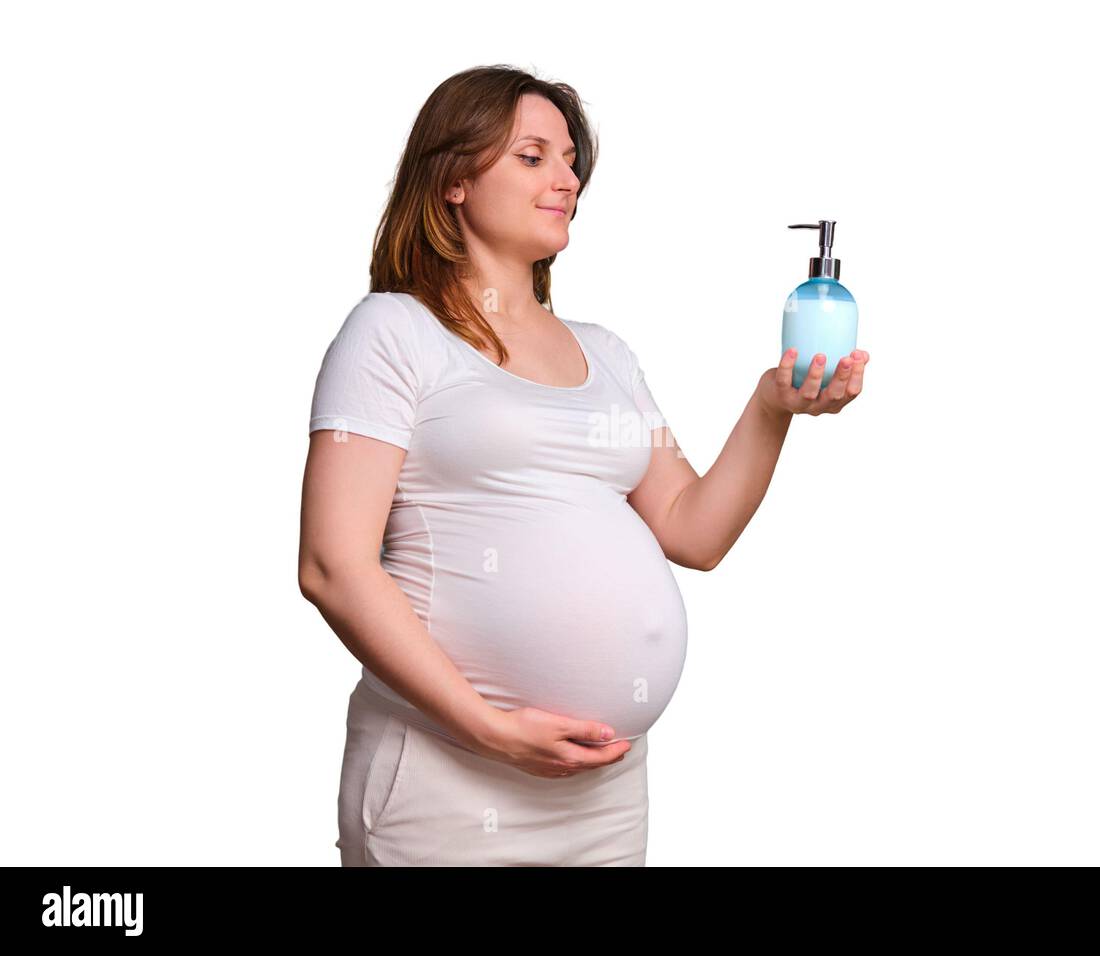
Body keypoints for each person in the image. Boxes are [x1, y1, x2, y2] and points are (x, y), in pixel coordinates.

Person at [297, 64, 870, 867]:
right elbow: (333, 565)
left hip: (603, 794)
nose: (567, 179)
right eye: (533, 157)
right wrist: (490, 726)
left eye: (571, 161)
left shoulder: (604, 354)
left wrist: (771, 407)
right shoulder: (394, 332)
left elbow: (692, 530)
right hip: (447, 782)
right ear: (454, 180)